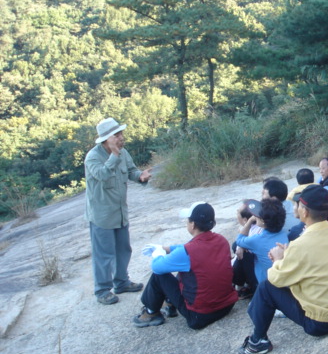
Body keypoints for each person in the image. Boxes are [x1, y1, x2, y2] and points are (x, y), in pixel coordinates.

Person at [239, 186, 328, 354]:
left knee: (266, 287)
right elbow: (314, 255)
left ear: (304, 212)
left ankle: (258, 341)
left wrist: (279, 260)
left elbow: (275, 279)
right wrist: (288, 254)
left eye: (297, 205)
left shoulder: (299, 246)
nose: (294, 208)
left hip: (323, 322)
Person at [134, 202, 237, 329]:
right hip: (226, 305)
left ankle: (151, 312)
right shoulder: (221, 240)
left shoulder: (188, 252)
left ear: (193, 224)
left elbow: (157, 267)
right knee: (187, 269)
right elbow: (188, 249)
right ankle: (170, 304)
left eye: (188, 221)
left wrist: (158, 254)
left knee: (159, 276)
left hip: (199, 316)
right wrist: (166, 248)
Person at [84, 117, 150, 305]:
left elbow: (131, 171)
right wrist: (113, 156)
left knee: (123, 249)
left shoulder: (124, 153)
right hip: (101, 215)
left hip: (120, 212)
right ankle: (102, 290)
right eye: (117, 135)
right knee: (104, 254)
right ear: (106, 139)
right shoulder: (93, 157)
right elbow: (103, 175)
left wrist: (141, 177)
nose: (121, 138)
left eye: (121, 134)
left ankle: (121, 282)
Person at [235, 198, 288, 284]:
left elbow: (239, 240)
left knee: (243, 252)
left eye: (257, 215)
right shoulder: (283, 232)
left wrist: (249, 221)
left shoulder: (257, 240)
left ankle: (249, 286)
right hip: (283, 277)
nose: (254, 216)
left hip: (267, 282)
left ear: (263, 221)